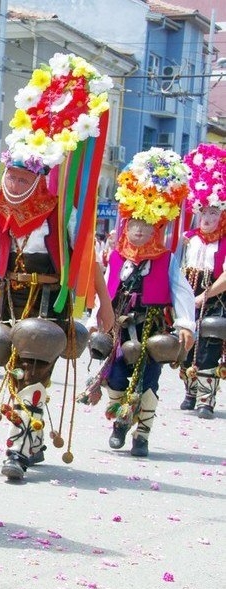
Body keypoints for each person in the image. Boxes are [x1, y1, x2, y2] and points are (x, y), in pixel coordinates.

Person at [0, 53, 116, 480]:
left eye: (21, 179)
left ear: (36, 180)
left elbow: (87, 259)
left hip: (50, 299)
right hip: (10, 300)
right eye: (9, 177)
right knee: (16, 368)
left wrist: (103, 306)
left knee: (35, 367)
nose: (13, 184)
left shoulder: (58, 213)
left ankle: (16, 447)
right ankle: (30, 438)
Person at [97, 148, 194, 457]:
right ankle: (119, 423)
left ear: (157, 228)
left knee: (148, 380)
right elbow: (105, 289)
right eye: (133, 224)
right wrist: (93, 320)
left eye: (145, 226)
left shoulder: (166, 260)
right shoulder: (116, 257)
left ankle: (142, 433)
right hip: (120, 327)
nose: (138, 231)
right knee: (114, 377)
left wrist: (186, 324)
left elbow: (182, 292)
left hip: (153, 325)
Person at [178, 143, 226, 420]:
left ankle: (206, 399)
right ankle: (190, 391)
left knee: (208, 343)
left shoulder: (224, 241)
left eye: (213, 213)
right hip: (190, 288)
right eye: (204, 212)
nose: (207, 218)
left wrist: (205, 295)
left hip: (215, 295)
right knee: (186, 343)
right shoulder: (190, 239)